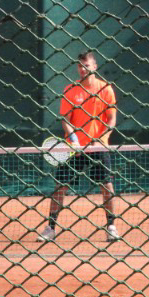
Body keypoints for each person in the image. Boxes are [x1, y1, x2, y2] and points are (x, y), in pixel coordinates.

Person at [39, 51, 120, 243]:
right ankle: (50, 227)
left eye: (86, 65)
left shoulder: (106, 89)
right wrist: (74, 140)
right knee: (60, 187)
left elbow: (111, 120)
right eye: (80, 66)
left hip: (98, 147)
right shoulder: (70, 90)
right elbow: (65, 120)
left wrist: (101, 139)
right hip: (74, 148)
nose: (83, 69)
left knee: (107, 186)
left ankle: (111, 227)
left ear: (95, 67)